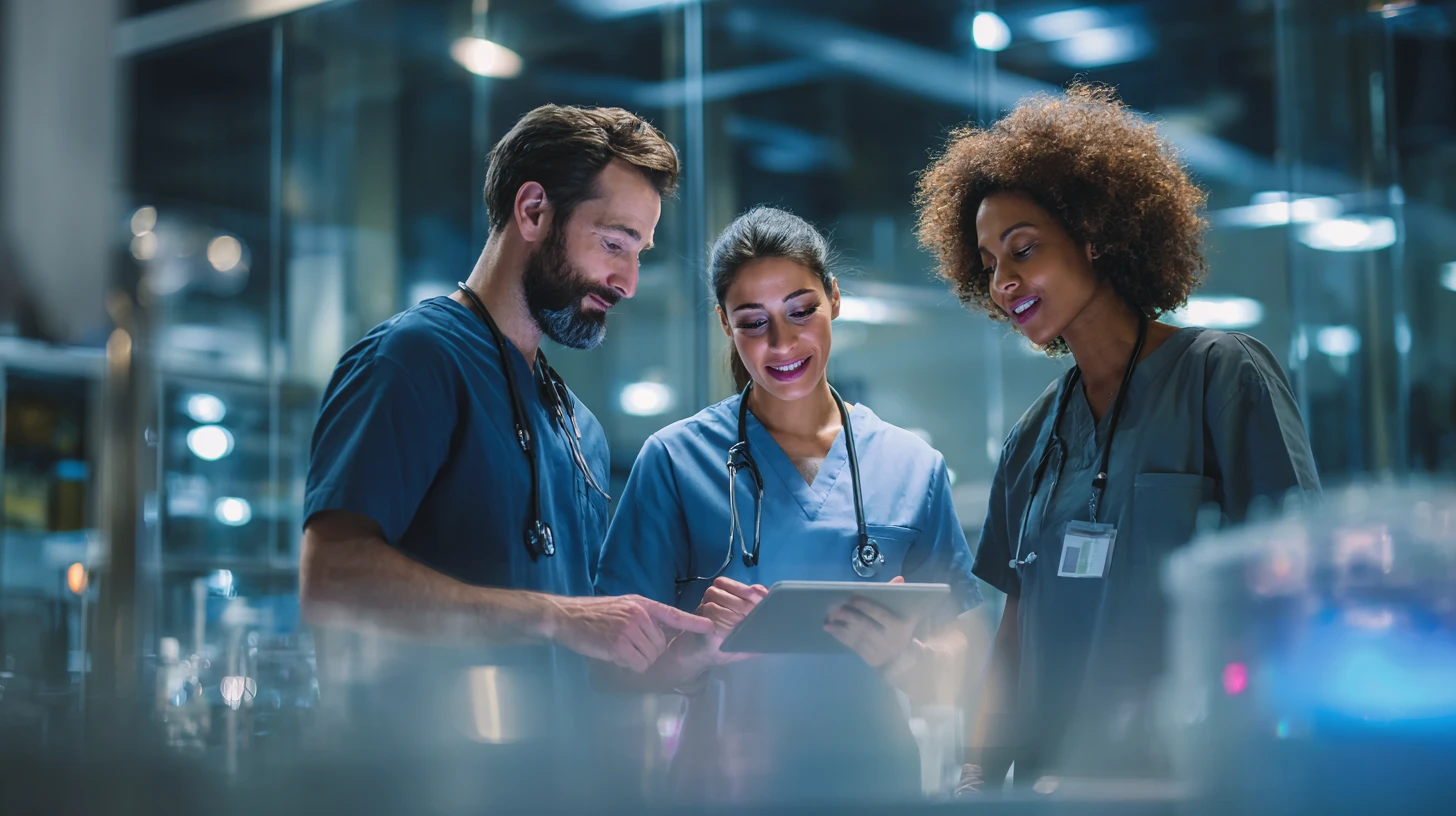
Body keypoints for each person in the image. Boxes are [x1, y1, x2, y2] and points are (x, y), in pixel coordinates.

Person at [914, 84, 1321, 790]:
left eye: (1023, 249)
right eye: (988, 265)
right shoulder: (1033, 437)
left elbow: (1295, 585)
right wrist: (977, 777)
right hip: (1051, 788)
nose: (1004, 282)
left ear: (1095, 234)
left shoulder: (1222, 377)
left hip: (1192, 784)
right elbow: (1013, 636)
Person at [298, 105, 714, 722]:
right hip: (426, 782)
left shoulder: (580, 429)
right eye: (612, 243)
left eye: (639, 253)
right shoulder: (413, 361)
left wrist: (671, 662)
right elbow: (332, 580)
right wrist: (554, 617)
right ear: (533, 211)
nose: (627, 281)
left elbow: (578, 648)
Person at [594, 207, 984, 802]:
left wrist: (905, 659)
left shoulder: (911, 466)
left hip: (875, 790)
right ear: (725, 325)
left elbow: (962, 660)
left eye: (802, 311)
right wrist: (695, 651)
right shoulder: (674, 461)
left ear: (834, 298)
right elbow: (613, 671)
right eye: (753, 322)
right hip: (723, 789)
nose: (782, 343)